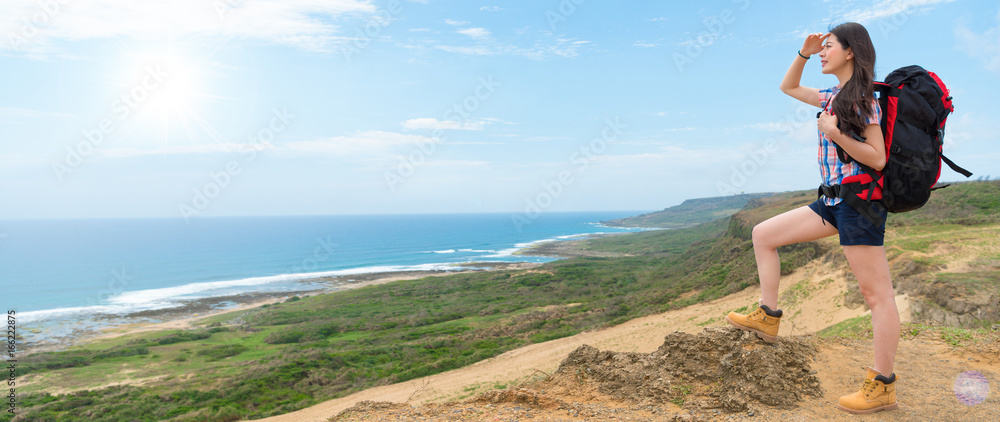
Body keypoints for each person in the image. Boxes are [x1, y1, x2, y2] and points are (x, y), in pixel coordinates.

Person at [724, 22, 900, 414]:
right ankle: (768, 317)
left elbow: (877, 157)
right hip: (832, 203)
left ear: (850, 51)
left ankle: (883, 384)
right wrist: (802, 54)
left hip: (859, 204)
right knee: (762, 234)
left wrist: (835, 133)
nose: (823, 53)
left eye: (828, 47)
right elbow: (788, 87)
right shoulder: (833, 94)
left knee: (877, 296)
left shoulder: (863, 98)